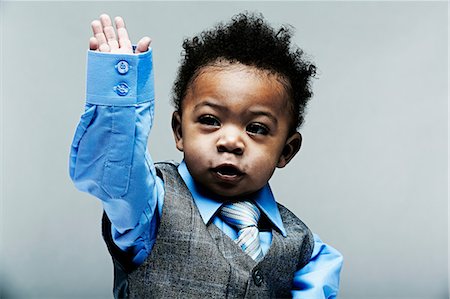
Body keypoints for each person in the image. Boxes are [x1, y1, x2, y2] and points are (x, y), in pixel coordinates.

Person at [70, 12, 343, 298]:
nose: (230, 141)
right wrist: (118, 99)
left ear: (286, 151)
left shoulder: (305, 248)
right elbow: (113, 171)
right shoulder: (150, 208)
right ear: (179, 131)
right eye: (211, 120)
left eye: (256, 128)